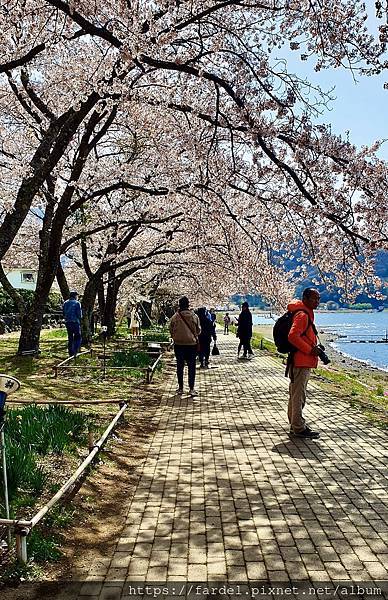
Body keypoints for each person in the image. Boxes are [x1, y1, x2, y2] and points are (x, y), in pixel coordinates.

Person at [287, 288, 321, 439]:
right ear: (305, 298)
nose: (317, 302)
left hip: (299, 361)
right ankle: (298, 428)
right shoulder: (302, 315)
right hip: (301, 361)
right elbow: (293, 336)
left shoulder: (303, 313)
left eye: (318, 299)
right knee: (299, 395)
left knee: (295, 394)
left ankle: (295, 424)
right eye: (314, 299)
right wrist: (309, 350)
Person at [169, 296, 201, 396]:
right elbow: (199, 330)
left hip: (179, 345)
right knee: (192, 366)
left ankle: (180, 388)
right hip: (191, 344)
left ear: (179, 305)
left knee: (180, 366)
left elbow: (170, 329)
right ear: (188, 305)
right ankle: (191, 388)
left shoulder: (175, 317)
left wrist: (176, 336)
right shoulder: (194, 316)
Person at [63, 290, 82, 357]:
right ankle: (75, 351)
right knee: (77, 337)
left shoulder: (65, 303)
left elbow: (64, 313)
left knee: (70, 337)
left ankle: (70, 352)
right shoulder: (77, 303)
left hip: (67, 322)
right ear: (75, 296)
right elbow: (79, 314)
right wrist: (80, 320)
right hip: (75, 322)